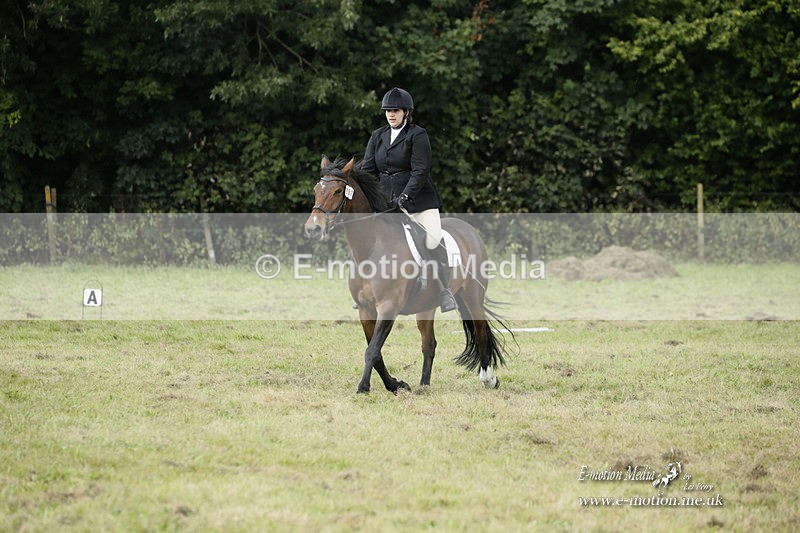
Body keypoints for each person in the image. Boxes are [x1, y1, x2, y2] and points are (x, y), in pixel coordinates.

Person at [361, 87, 457, 313]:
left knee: (432, 241)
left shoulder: (417, 135)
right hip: (387, 206)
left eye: (395, 110)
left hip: (418, 204)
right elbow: (367, 172)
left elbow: (420, 171)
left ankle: (444, 291)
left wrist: (405, 197)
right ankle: (366, 290)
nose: (391, 115)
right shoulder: (378, 136)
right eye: (387, 111)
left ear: (406, 112)